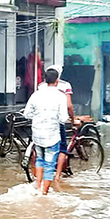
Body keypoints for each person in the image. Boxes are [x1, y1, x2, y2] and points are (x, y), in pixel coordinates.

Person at [20, 67, 69, 195]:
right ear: (57, 81)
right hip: (52, 136)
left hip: (37, 135)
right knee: (50, 164)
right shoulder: (60, 96)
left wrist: (37, 117)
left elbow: (27, 114)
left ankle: (38, 187)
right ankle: (44, 193)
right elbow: (63, 118)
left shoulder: (36, 94)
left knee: (39, 160)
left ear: (44, 80)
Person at [47, 67, 75, 188]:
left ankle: (37, 176)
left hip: (42, 122)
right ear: (57, 78)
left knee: (39, 149)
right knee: (62, 148)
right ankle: (57, 176)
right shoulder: (65, 86)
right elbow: (69, 106)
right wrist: (72, 120)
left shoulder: (41, 87)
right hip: (57, 121)